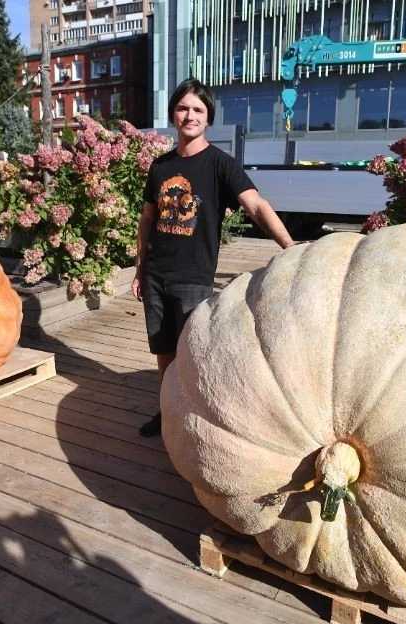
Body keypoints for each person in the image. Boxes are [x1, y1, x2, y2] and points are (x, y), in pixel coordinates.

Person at [132, 78, 297, 437]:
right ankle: (168, 411)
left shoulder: (221, 164)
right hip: (156, 274)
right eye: (182, 108)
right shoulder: (160, 167)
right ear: (173, 114)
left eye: (197, 110)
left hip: (193, 277)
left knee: (194, 351)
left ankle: (198, 417)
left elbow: (256, 205)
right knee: (163, 350)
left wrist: (291, 246)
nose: (189, 115)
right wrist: (140, 268)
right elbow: (148, 219)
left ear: (207, 119)